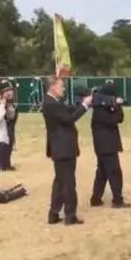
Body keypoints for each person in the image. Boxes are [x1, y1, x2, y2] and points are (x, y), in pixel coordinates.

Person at [41, 77, 92, 225]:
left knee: (60, 181)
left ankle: (54, 213)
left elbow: (68, 110)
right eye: (61, 86)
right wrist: (85, 105)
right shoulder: (51, 104)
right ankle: (70, 215)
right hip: (63, 148)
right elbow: (69, 118)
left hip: (61, 147)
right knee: (68, 182)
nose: (63, 89)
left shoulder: (53, 102)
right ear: (52, 87)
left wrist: (81, 104)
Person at [89, 83, 130, 208]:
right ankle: (117, 200)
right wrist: (115, 106)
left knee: (102, 172)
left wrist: (116, 106)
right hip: (106, 146)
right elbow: (114, 120)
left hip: (104, 146)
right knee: (115, 172)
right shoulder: (100, 110)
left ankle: (96, 198)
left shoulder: (104, 107)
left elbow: (120, 118)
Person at [0, 82, 18, 171]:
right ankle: (3, 165)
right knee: (5, 146)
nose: (10, 93)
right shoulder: (2, 103)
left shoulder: (12, 103)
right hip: (4, 127)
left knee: (10, 146)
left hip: (11, 127)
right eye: (7, 91)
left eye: (10, 90)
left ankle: (7, 164)